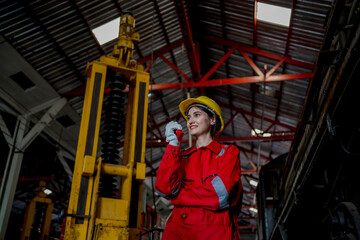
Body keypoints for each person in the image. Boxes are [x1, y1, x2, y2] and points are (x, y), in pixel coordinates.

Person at [155, 96, 243, 240]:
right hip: (177, 231)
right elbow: (164, 189)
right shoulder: (182, 156)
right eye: (189, 117)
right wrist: (173, 145)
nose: (190, 121)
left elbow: (219, 194)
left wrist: (179, 196)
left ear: (212, 120)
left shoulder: (228, 153)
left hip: (213, 232)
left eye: (197, 115)